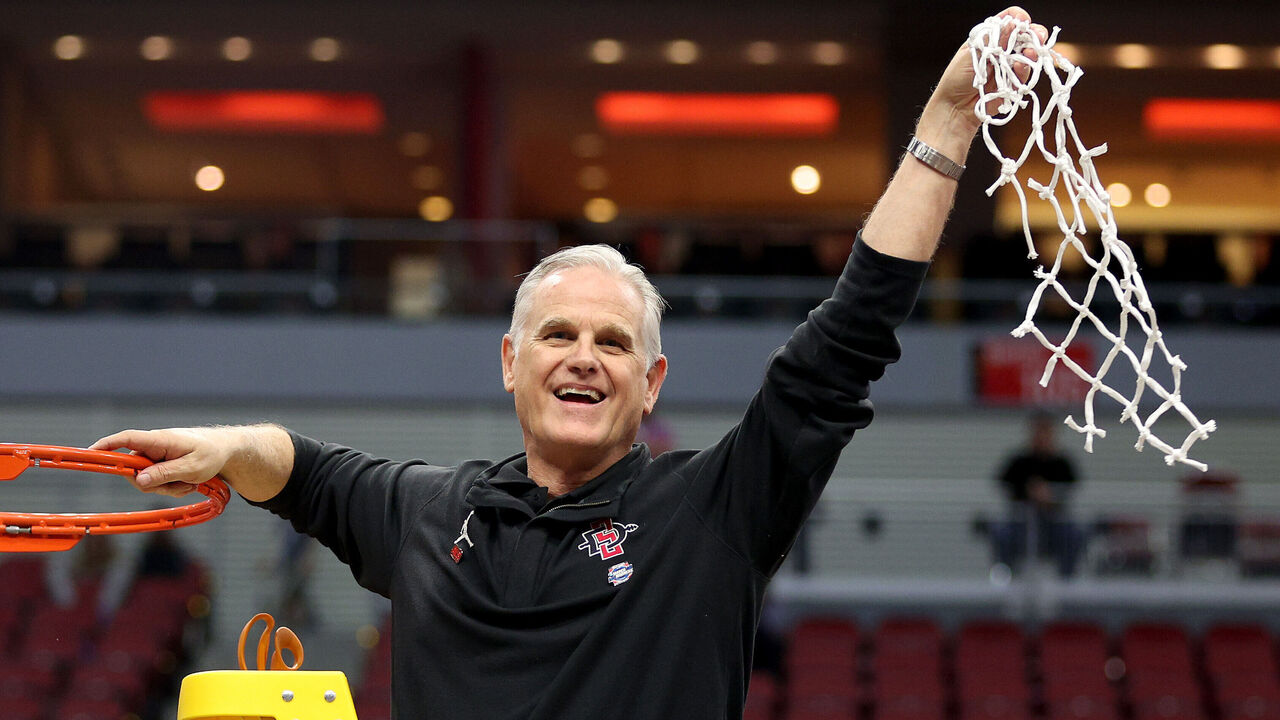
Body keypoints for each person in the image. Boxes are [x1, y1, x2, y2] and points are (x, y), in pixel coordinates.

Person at [89, 9, 1047, 718]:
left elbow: (844, 347)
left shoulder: (713, 514)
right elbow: (299, 468)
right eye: (558, 335)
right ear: (511, 362)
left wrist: (947, 123)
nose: (584, 357)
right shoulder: (430, 511)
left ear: (651, 384)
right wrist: (222, 444)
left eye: (614, 342)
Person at [991, 412, 1084, 578]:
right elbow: (1004, 484)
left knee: (1074, 534)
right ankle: (1006, 577)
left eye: (1045, 431)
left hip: (1054, 523)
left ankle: (1068, 580)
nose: (1041, 436)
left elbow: (1071, 489)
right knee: (1001, 532)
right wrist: (1029, 491)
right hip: (1021, 521)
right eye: (1038, 431)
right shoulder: (1018, 462)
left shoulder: (1062, 463)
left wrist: (1050, 495)